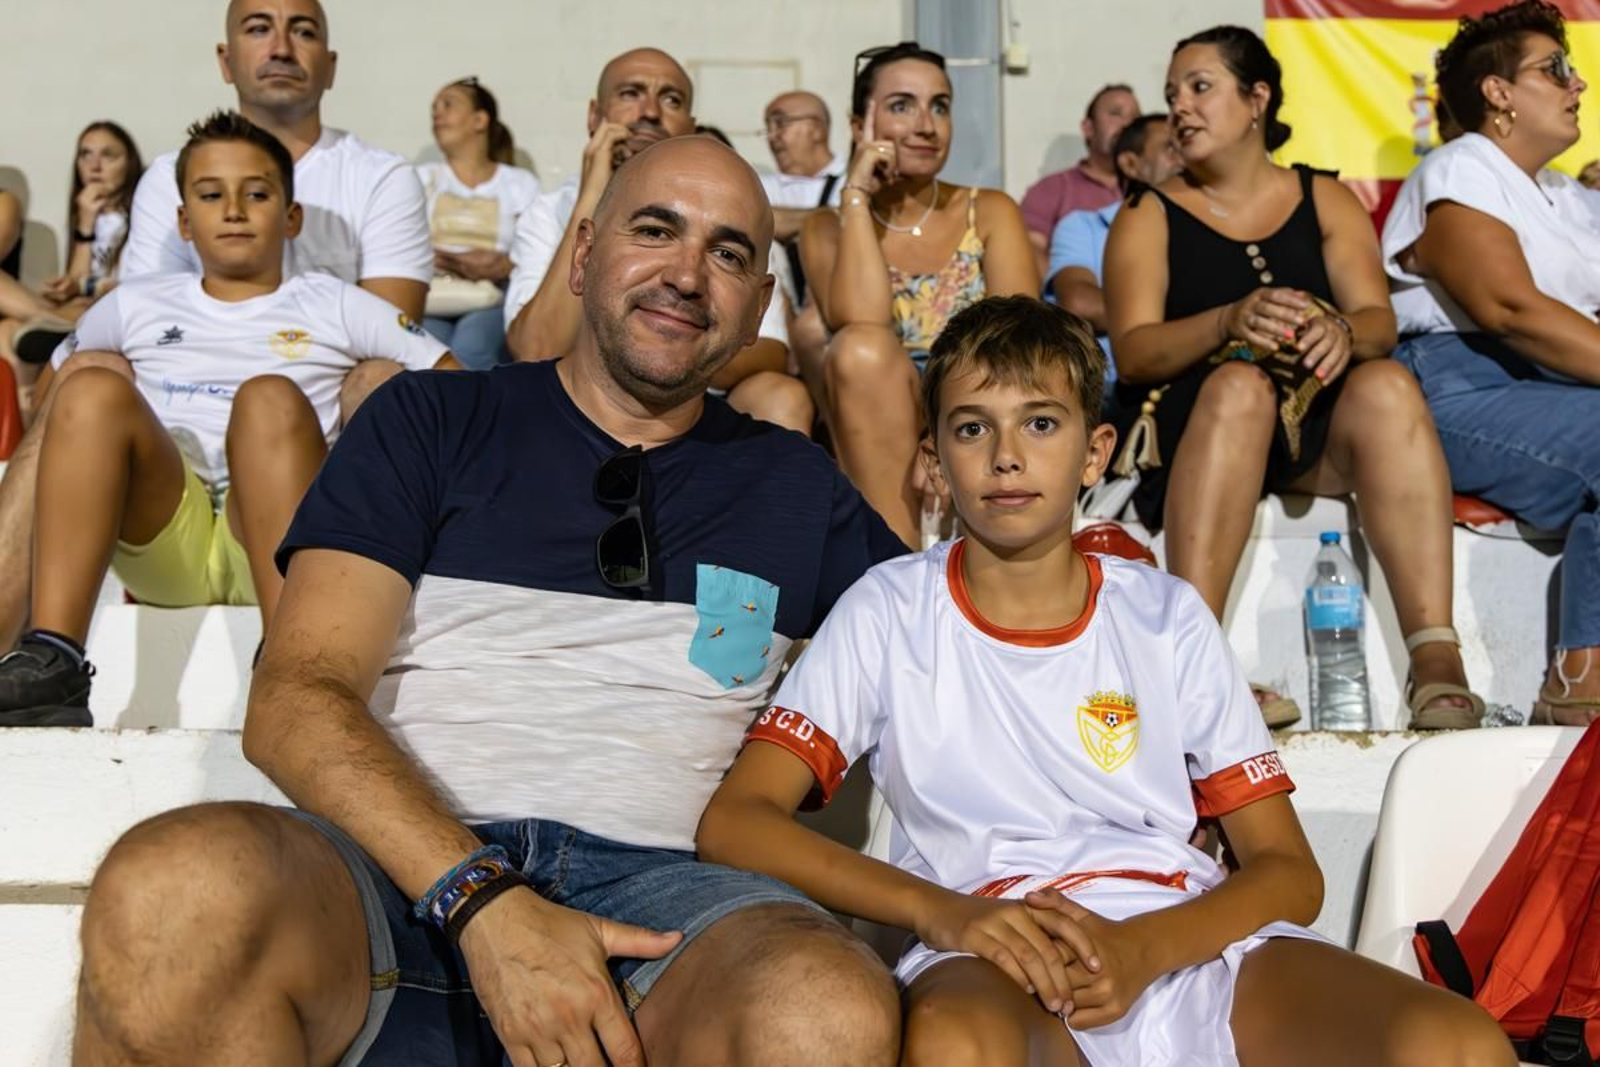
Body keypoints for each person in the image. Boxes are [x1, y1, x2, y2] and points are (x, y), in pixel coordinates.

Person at [72, 134, 905, 1065]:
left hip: (672, 913)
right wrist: (480, 897)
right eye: (656, 230)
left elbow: (954, 656)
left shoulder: (794, 485)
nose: (685, 274)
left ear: (757, 304)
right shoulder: (431, 419)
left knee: (824, 1005)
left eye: (728, 253)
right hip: (398, 882)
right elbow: (295, 696)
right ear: (583, 255)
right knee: (168, 888)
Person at [698, 296, 1516, 1067]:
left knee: (1459, 1043)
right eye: (972, 427)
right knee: (955, 1041)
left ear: (1095, 451)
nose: (1006, 455)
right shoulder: (889, 607)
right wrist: (943, 911)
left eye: (1041, 423)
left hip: (1181, 939)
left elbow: (1292, 874)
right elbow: (736, 822)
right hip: (991, 945)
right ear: (933, 459)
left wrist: (1142, 949)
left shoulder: (1164, 612)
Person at [0, 0, 433, 654]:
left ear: (331, 64)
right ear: (225, 58)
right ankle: (40, 653)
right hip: (171, 481)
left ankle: (331, 650)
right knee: (90, 375)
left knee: (377, 380)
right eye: (259, 28)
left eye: (304, 30)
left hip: (307, 454)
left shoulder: (380, 177)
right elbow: (146, 318)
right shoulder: (164, 179)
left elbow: (402, 342)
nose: (282, 47)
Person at [1102, 25, 1482, 731]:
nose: (1180, 108)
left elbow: (1379, 321)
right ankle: (1193, 663)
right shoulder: (1146, 214)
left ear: (1257, 99)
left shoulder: (1324, 197)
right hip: (1196, 434)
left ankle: (1436, 659)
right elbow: (1134, 353)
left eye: (1200, 87)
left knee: (1387, 384)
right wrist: (1226, 323)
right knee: (1241, 386)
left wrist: (1340, 328)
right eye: (1172, 95)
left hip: (1309, 432)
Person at [1382, 0, 1600, 724]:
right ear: (1497, 93)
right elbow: (1510, 310)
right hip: (1457, 386)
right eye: (1555, 70)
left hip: (1556, 388)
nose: (1578, 86)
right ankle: (1581, 675)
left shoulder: (1568, 197)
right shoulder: (1461, 167)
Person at [799, 41, 1037, 547]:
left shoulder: (990, 211)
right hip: (874, 425)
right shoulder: (827, 229)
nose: (926, 125)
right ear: (859, 124)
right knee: (862, 351)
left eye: (940, 106)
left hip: (982, 413)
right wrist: (857, 198)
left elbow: (1019, 350)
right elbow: (859, 323)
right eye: (901, 106)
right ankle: (895, 568)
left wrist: (942, 438)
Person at [505, 48, 813, 436]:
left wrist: (660, 353)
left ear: (690, 124)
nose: (649, 112)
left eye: (671, 99)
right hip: (576, 405)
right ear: (594, 117)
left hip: (701, 401)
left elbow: (770, 349)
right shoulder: (549, 212)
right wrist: (592, 194)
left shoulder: (737, 210)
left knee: (781, 395)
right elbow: (536, 351)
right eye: (630, 93)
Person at [1048, 112, 1181, 386]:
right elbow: (1079, 303)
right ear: (1131, 164)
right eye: (1169, 147)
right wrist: (1195, 322)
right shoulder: (1084, 226)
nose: (1183, 156)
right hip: (1110, 391)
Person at [416, 77, 539, 370]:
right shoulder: (421, 177)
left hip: (493, 292)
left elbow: (535, 251)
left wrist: (502, 265)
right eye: (434, 107)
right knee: (429, 354)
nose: (437, 113)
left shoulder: (520, 184)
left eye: (448, 104)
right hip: (435, 294)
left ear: (480, 120)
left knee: (472, 348)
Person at [0, 123, 143, 372]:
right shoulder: (84, 218)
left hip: (122, 310)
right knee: (7, 329)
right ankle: (23, 408)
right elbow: (76, 282)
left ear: (129, 163)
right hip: (82, 308)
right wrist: (85, 224)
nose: (95, 165)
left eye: (108, 155)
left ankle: (47, 318)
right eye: (85, 154)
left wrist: (84, 287)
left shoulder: (144, 216)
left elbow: (142, 285)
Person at [762, 90, 846, 415]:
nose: (772, 137)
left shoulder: (853, 176)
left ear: (816, 128)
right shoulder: (763, 183)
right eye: (768, 127)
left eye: (780, 123)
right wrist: (827, 217)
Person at [1020, 85, 1140, 277]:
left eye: (1135, 118)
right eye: (1116, 114)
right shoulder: (1052, 189)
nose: (1127, 124)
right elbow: (1029, 250)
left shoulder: (1155, 188)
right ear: (1088, 128)